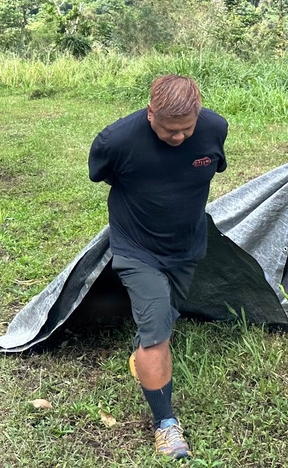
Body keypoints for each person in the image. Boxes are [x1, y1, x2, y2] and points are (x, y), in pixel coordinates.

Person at [89, 74, 227, 461]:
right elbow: (103, 176)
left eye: (186, 130)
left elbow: (210, 167)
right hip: (136, 247)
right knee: (155, 332)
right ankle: (166, 426)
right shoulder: (115, 141)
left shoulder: (215, 128)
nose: (179, 138)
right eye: (169, 131)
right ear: (150, 113)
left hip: (187, 246)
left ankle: (145, 356)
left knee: (166, 316)